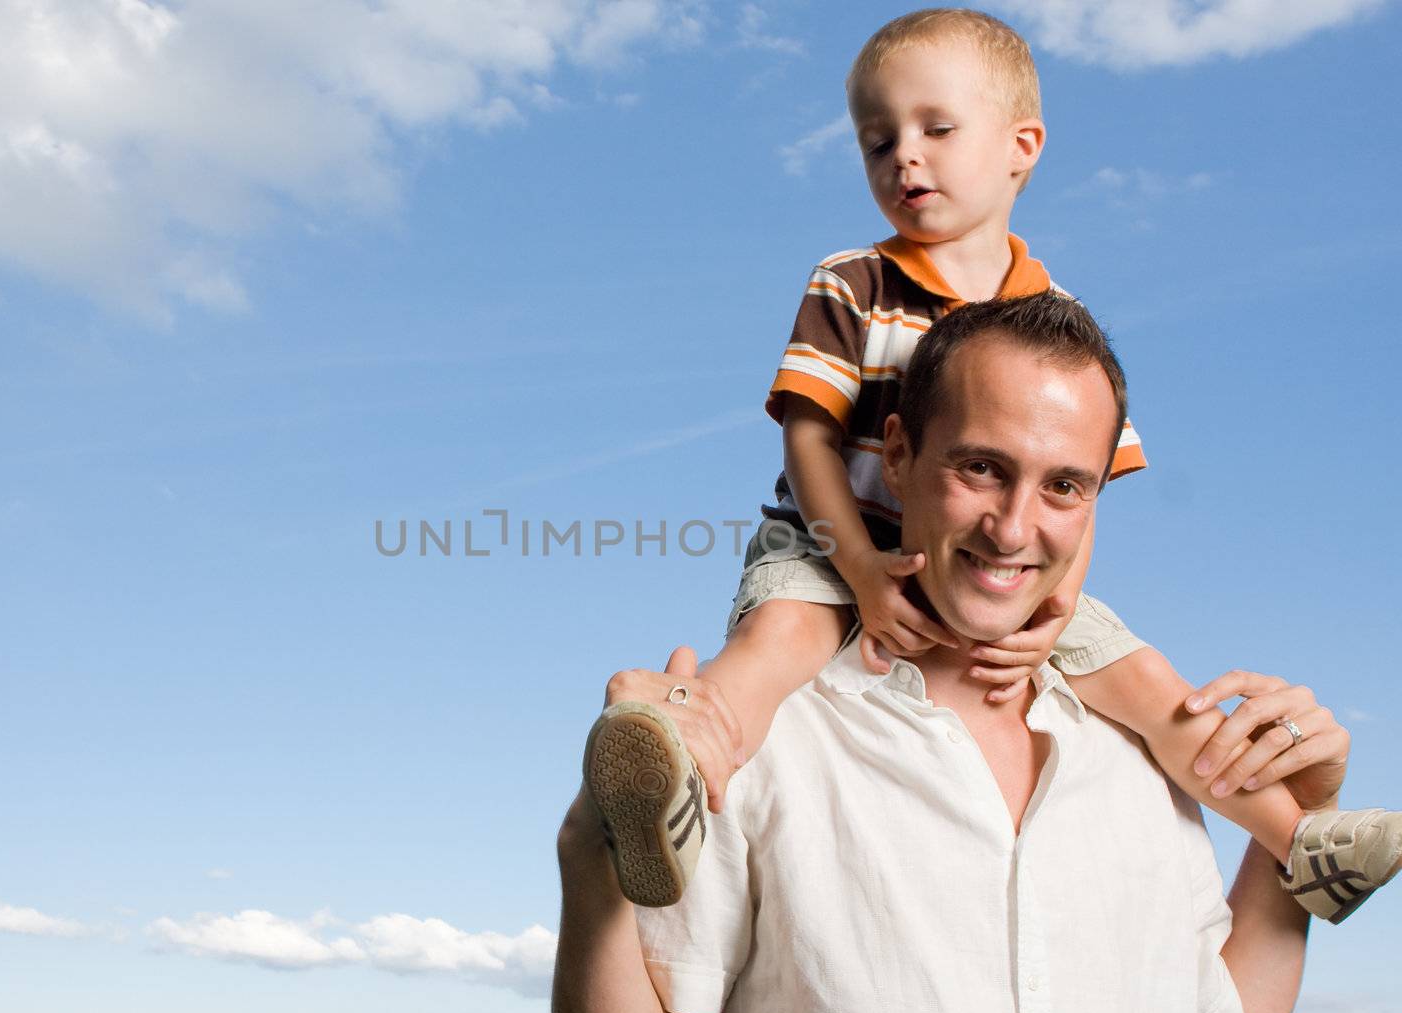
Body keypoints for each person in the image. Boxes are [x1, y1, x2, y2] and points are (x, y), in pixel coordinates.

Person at [579, 6, 1402, 923]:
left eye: (936, 128)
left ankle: (1304, 843)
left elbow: (1080, 490)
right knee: (773, 647)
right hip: (834, 544)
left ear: (1022, 145)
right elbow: (809, 437)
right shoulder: (852, 282)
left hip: (999, 564)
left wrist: (1053, 610)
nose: (904, 157)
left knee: (1149, 684)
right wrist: (855, 564)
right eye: (877, 140)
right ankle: (681, 771)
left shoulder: (1056, 313)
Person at [553, 294, 1380, 1013]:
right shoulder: (754, 743)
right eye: (982, 467)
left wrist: (1302, 815)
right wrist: (591, 851)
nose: (1014, 527)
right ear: (902, 457)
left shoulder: (1141, 757)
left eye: (1063, 485)